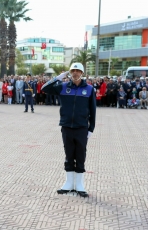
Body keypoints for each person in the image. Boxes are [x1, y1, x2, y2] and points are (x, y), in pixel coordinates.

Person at [41, 63, 96, 198]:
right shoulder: (63, 87)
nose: (75, 73)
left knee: (81, 155)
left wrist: (91, 128)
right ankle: (69, 183)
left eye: (78, 71)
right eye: (73, 71)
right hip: (66, 126)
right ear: (70, 73)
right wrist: (58, 78)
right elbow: (45, 88)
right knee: (69, 154)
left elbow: (93, 110)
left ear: (82, 73)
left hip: (82, 127)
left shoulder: (89, 89)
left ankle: (80, 185)